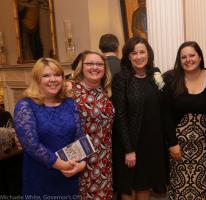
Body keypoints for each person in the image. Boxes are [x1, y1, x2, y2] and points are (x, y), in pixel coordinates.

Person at [13, 58, 86, 199]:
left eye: (57, 75)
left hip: (69, 176)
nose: (53, 79)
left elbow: (79, 136)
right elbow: (31, 145)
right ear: (37, 79)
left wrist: (81, 164)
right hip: (40, 178)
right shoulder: (25, 106)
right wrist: (62, 165)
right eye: (46, 75)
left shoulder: (70, 104)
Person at [112, 36, 167, 200]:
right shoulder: (122, 79)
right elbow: (120, 116)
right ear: (128, 56)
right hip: (131, 143)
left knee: (144, 186)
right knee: (128, 189)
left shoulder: (155, 75)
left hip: (151, 144)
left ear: (148, 54)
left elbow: (164, 103)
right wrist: (129, 150)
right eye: (133, 53)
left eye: (142, 52)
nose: (138, 56)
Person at [163, 41, 206, 199]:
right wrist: (172, 143)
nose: (188, 59)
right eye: (183, 57)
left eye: (192, 55)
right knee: (179, 190)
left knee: (202, 188)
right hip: (178, 148)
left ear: (199, 56)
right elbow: (166, 114)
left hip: (204, 147)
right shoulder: (171, 79)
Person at [66, 50, 114, 199]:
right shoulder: (70, 89)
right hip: (79, 157)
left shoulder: (106, 90)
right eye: (90, 63)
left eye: (99, 64)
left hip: (104, 157)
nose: (95, 67)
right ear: (82, 66)